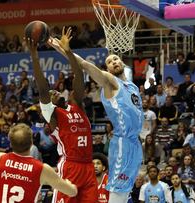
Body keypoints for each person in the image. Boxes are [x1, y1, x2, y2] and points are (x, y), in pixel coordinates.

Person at [49, 27, 144, 202]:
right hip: (123, 142)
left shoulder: (131, 86)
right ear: (106, 69)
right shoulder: (110, 82)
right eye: (109, 61)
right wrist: (61, 48)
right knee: (117, 188)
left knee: (125, 191)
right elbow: (85, 65)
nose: (114, 62)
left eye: (116, 59)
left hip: (135, 143)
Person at [27, 28, 97, 203]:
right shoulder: (53, 115)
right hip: (70, 167)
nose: (53, 92)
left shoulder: (77, 105)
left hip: (88, 166)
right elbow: (42, 88)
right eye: (50, 94)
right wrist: (34, 55)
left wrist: (68, 51)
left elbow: (79, 76)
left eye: (55, 90)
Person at [0, 123, 78, 203]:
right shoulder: (42, 168)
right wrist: (69, 184)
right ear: (32, 143)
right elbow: (72, 192)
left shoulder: (0, 158)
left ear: (10, 144)